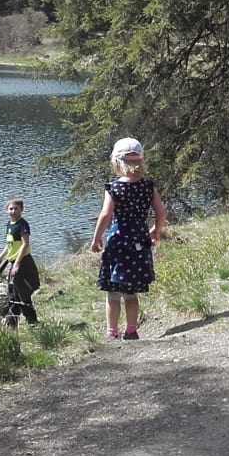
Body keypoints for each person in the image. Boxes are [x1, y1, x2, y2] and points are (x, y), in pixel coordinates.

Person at [90, 137, 166, 340]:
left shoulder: (114, 187)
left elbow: (106, 214)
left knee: (112, 292)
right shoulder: (148, 186)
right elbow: (161, 212)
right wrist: (156, 230)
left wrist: (96, 238)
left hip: (118, 242)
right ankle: (131, 330)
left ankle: (112, 332)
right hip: (140, 241)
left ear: (116, 162)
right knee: (131, 293)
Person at [0, 197, 40, 326]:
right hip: (13, 262)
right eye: (10, 209)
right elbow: (9, 245)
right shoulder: (9, 224)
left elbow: (25, 244)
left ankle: (30, 321)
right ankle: (14, 322)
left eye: (16, 209)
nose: (13, 211)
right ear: (6, 210)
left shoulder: (22, 224)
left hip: (23, 262)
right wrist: (0, 257)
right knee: (14, 293)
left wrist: (17, 264)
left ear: (21, 210)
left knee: (22, 292)